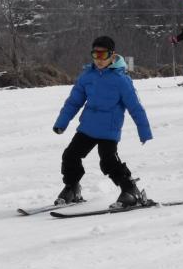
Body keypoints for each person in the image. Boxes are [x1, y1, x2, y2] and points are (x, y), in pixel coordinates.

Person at [53, 36, 153, 208]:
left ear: (113, 56)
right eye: (95, 54)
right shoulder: (87, 76)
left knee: (108, 161)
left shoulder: (122, 80)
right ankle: (72, 187)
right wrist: (61, 123)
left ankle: (130, 191)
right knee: (70, 155)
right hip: (87, 127)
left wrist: (144, 131)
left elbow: (136, 107)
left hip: (109, 130)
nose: (99, 59)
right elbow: (74, 101)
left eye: (103, 55)